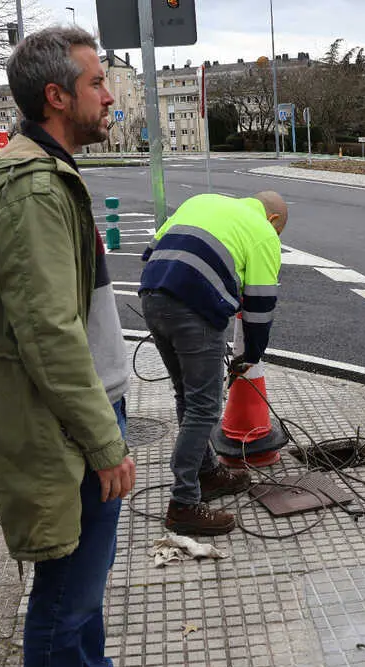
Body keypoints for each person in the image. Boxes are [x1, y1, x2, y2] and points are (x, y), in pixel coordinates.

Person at [0, 26, 164, 667]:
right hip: (68, 423)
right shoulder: (34, 191)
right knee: (64, 594)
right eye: (97, 83)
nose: (110, 97)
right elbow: (48, 332)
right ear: (57, 96)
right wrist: (103, 440)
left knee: (85, 572)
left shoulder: (51, 173)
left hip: (85, 408)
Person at [139, 191, 287, 536]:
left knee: (187, 396)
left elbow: (150, 251)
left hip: (152, 296)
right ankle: (183, 504)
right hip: (195, 307)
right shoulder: (263, 232)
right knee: (205, 407)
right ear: (273, 220)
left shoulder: (201, 202)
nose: (275, 238)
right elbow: (260, 306)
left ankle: (206, 473)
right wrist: (250, 357)